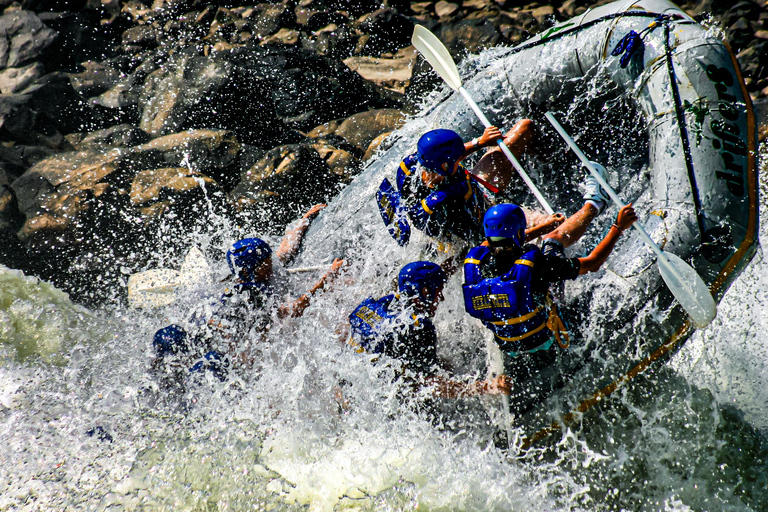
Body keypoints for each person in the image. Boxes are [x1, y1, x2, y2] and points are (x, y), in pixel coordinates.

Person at [461, 163, 638, 378]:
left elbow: (498, 242)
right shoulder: (539, 267)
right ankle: (595, 202)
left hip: (514, 350)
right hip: (550, 341)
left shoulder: (478, 265)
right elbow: (593, 263)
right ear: (518, 234)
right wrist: (618, 227)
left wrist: (543, 226)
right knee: (553, 241)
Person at [152, 204, 344, 380]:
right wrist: (329, 277)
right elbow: (293, 310)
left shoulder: (259, 270)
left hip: (219, 336)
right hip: (223, 349)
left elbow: (283, 252)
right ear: (247, 271)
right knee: (207, 358)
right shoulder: (248, 295)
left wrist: (304, 220)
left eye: (268, 260)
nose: (270, 266)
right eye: (264, 264)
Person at [345, 261, 512, 400]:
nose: (442, 298)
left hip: (351, 382)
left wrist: (463, 258)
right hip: (383, 397)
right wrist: (487, 387)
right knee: (445, 371)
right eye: (439, 291)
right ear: (426, 292)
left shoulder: (385, 302)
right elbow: (428, 385)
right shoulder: (418, 328)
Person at [395, 120, 563, 245]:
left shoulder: (414, 164)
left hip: (478, 191)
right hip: (485, 224)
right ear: (445, 166)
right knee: (555, 228)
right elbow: (491, 242)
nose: (461, 157)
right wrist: (542, 228)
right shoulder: (452, 198)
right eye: (457, 158)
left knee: (525, 127)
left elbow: (452, 154)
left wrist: (480, 142)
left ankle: (553, 157)